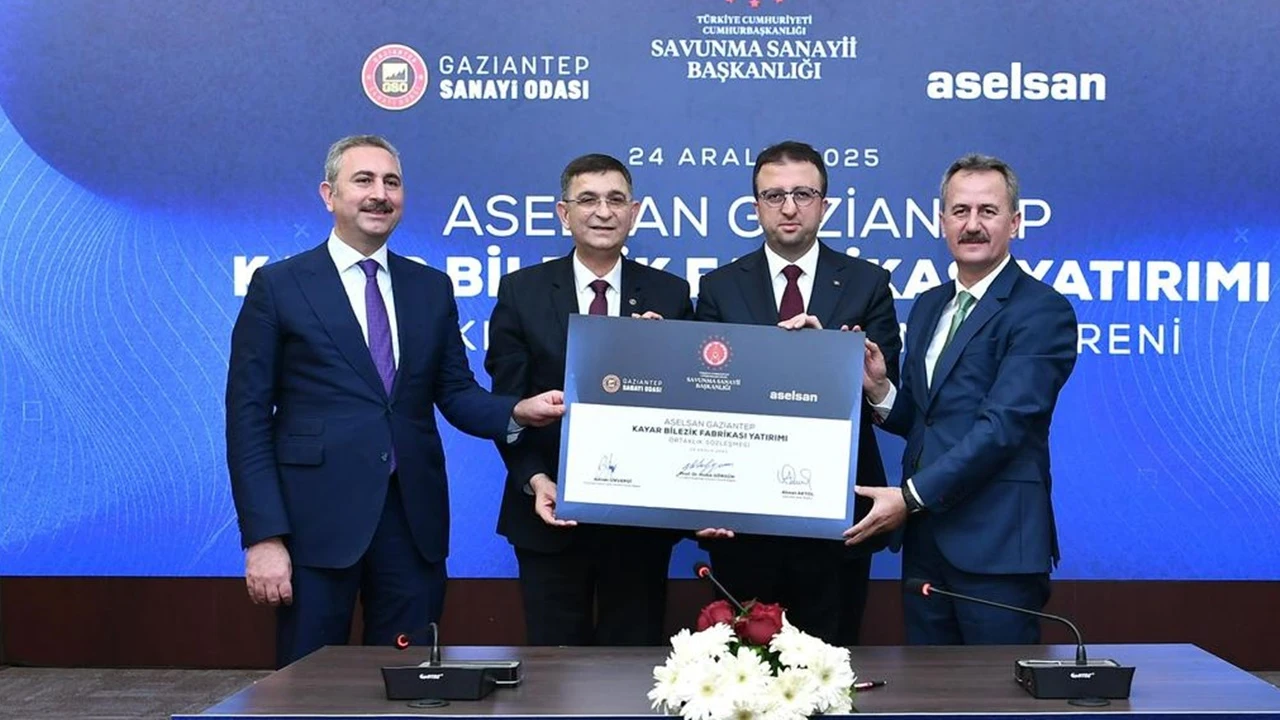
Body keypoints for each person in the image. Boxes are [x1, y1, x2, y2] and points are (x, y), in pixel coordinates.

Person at [226, 134, 564, 667]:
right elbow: (247, 419)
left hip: (412, 524)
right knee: (309, 691)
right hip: (314, 528)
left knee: (409, 683)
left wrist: (516, 411)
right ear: (329, 194)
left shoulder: (430, 287)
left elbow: (455, 392)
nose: (379, 194)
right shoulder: (279, 285)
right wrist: (264, 537)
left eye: (392, 182)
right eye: (363, 180)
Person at [844, 153, 1078, 645]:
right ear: (941, 221)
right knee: (930, 686)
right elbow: (928, 421)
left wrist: (909, 498)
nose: (972, 225)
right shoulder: (930, 305)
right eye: (960, 211)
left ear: (1015, 222)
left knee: (995, 688)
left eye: (988, 211)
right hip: (925, 545)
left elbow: (1003, 428)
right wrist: (880, 389)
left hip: (997, 547)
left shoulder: (1043, 311)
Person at [693, 140, 901, 645]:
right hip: (743, 519)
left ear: (824, 205)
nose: (789, 207)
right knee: (743, 670)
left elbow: (886, 393)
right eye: (774, 196)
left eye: (803, 194)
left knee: (831, 666)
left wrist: (830, 355)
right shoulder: (719, 287)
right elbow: (704, 399)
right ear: (756, 207)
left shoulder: (868, 283)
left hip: (838, 520)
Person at [485, 153, 695, 646]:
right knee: (554, 667)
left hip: (639, 522)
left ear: (634, 212)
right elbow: (507, 406)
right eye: (588, 200)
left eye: (616, 200)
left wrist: (663, 359)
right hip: (548, 512)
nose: (603, 211)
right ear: (564, 213)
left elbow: (689, 406)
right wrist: (535, 479)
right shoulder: (522, 292)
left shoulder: (670, 294)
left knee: (633, 667)